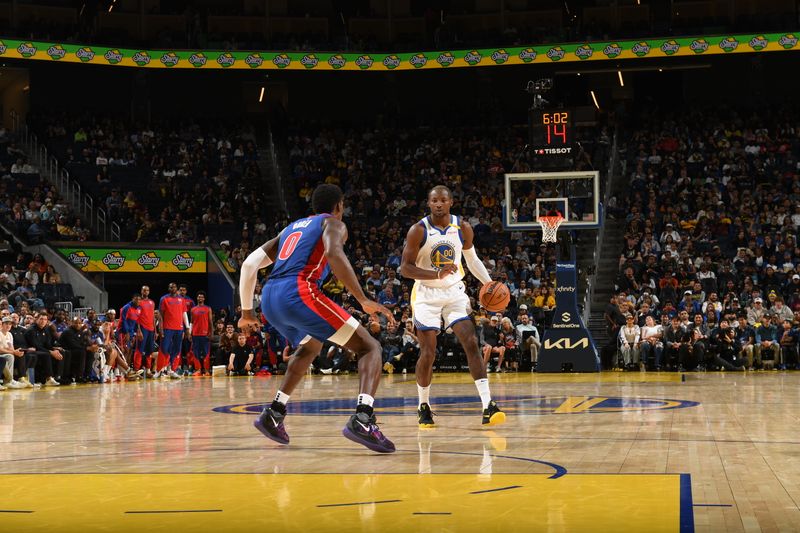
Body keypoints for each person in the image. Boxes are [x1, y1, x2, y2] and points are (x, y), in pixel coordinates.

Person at [238, 184, 396, 453]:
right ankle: (363, 418)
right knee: (369, 347)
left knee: (311, 345)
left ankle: (274, 413)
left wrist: (246, 312)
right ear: (339, 206)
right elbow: (334, 254)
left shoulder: (289, 229)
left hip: (269, 297)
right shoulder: (333, 223)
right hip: (299, 292)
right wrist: (363, 299)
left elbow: (249, 264)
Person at [400, 185, 505, 428]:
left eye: (443, 200)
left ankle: (488, 405)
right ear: (429, 203)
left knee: (471, 342)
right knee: (429, 352)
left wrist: (489, 284)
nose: (438, 204)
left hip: (454, 292)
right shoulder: (418, 231)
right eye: (434, 200)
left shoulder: (463, 227)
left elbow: (472, 259)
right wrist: (435, 274)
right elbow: (406, 268)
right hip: (426, 293)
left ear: (451, 202)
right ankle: (423, 405)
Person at [157, 282, 188, 379]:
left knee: (176, 350)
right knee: (164, 349)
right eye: (170, 287)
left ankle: (171, 370)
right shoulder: (164, 299)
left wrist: (187, 327)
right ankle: (160, 370)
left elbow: (184, 313)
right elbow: (160, 315)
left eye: (174, 287)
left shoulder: (181, 299)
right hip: (167, 328)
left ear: (176, 288)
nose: (172, 288)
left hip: (179, 328)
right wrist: (160, 328)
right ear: (168, 289)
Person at [136, 285, 158, 376]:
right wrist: (139, 330)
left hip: (151, 329)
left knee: (150, 351)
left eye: (147, 290)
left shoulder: (152, 302)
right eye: (144, 290)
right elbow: (136, 317)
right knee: (139, 350)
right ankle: (137, 370)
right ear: (141, 291)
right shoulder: (138, 302)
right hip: (143, 328)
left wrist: (155, 331)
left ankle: (148, 370)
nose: (146, 292)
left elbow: (153, 317)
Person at [190, 291, 214, 375]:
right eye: (199, 297)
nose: (200, 298)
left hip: (205, 334)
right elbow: (191, 322)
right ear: (197, 298)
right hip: (195, 334)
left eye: (202, 297)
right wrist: (190, 332)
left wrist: (211, 333)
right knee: (195, 352)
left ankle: (206, 370)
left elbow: (210, 322)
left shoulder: (208, 308)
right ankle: (198, 369)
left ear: (204, 298)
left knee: (206, 352)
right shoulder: (193, 309)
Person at [0, 316, 25, 389]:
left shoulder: (9, 334)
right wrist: (13, 352)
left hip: (4, 354)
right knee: (9, 356)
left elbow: (12, 348)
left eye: (10, 324)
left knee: (13, 355)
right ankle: (9, 380)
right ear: (2, 324)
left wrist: (16, 352)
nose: (8, 326)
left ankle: (11, 380)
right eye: (6, 324)